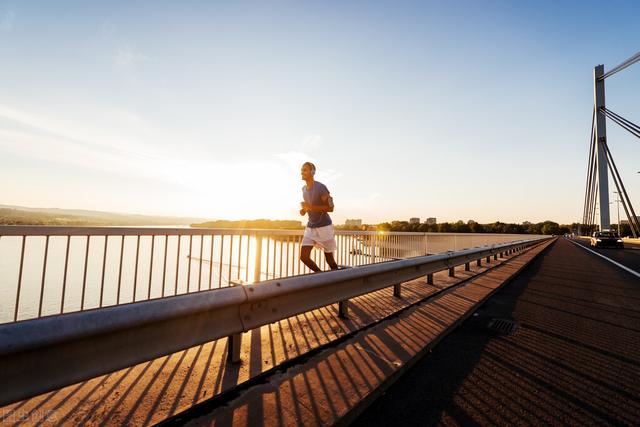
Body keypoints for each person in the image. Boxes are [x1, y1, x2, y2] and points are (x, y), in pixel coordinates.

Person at [299, 162, 339, 272]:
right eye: (302, 170)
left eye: (305, 170)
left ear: (313, 172)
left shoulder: (320, 187)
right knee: (304, 257)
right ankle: (320, 276)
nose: (302, 172)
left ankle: (340, 279)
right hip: (310, 227)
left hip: (324, 227)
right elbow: (309, 207)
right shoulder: (303, 189)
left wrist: (310, 207)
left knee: (330, 260)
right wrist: (304, 210)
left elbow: (331, 208)